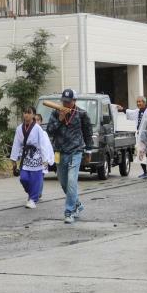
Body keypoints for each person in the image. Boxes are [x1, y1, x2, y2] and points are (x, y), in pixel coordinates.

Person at [46, 89, 93, 224]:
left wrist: (88, 151)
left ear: (74, 101)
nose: (65, 104)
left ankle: (69, 212)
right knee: (64, 183)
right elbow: (49, 130)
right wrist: (60, 119)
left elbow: (88, 133)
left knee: (72, 182)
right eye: (64, 101)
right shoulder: (55, 112)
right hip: (60, 152)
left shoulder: (82, 114)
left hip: (75, 151)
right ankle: (77, 204)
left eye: (68, 102)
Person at [10, 106, 54, 209]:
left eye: (29, 113)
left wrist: (45, 159)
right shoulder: (19, 128)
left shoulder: (38, 128)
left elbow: (43, 144)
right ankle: (32, 193)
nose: (26, 115)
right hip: (26, 157)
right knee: (23, 178)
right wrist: (14, 159)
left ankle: (33, 199)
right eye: (25, 112)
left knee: (35, 179)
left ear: (33, 115)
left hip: (36, 157)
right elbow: (16, 143)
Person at [123, 96, 147, 178]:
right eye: (137, 102)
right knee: (140, 154)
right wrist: (122, 109)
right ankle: (145, 172)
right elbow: (130, 112)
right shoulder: (137, 111)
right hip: (140, 136)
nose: (138, 103)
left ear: (144, 102)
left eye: (140, 102)